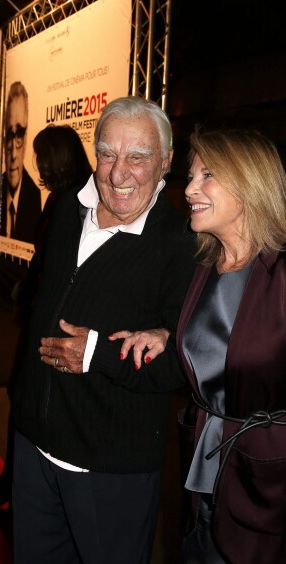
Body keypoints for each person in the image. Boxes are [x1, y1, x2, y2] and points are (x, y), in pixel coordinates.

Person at [10, 96, 196, 564]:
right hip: (33, 451)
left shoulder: (181, 244)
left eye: (139, 157)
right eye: (108, 153)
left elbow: (185, 361)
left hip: (111, 469)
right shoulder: (68, 210)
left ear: (167, 162)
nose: (119, 173)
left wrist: (96, 354)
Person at [124, 127, 286, 563]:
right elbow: (221, 341)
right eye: (192, 175)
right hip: (204, 472)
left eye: (207, 175)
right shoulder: (205, 265)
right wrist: (168, 334)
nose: (190, 189)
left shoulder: (282, 274)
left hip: (269, 489)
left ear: (250, 182)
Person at [0, 124, 93, 513]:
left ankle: (18, 488)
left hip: (51, 325)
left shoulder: (73, 201)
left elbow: (61, 270)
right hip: (40, 318)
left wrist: (26, 295)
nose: (36, 164)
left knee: (28, 403)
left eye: (41, 156)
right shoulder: (62, 197)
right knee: (23, 402)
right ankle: (15, 486)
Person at [0, 81, 42, 243]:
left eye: (20, 135)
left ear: (26, 137)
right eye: (9, 135)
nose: (13, 154)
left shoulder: (34, 196)